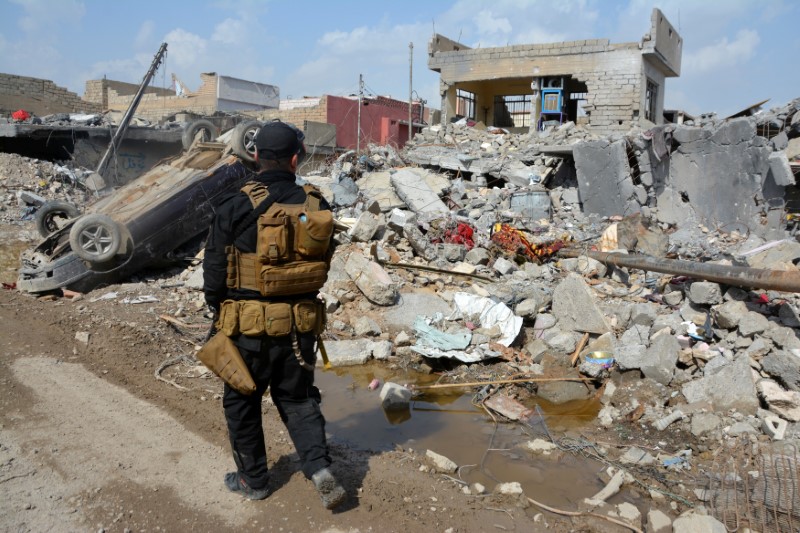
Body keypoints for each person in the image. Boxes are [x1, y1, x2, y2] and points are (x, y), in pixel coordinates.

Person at [202, 120, 345, 509]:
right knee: (297, 398)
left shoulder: (234, 205)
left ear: (255, 156)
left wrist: (219, 314)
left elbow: (214, 274)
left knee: (242, 400)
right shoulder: (317, 205)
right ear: (296, 159)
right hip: (300, 327)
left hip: (246, 327)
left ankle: (254, 480)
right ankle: (319, 470)